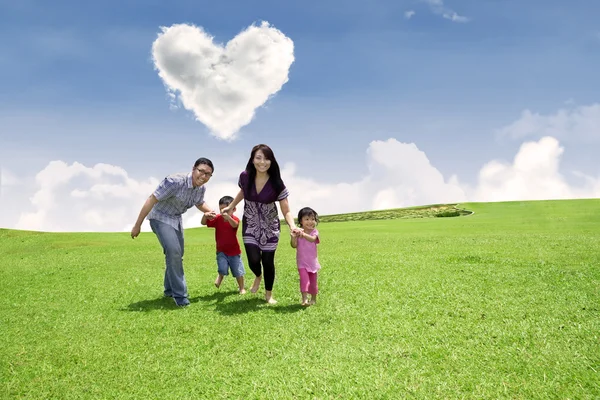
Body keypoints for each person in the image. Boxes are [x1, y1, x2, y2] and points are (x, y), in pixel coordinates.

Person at [130, 158, 217, 307]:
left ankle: (169, 290)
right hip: (159, 216)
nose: (203, 176)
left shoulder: (201, 188)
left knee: (177, 254)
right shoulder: (174, 181)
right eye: (201, 171)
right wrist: (137, 225)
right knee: (174, 252)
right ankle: (180, 296)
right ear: (193, 168)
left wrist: (212, 213)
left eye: (208, 174)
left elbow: (199, 202)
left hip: (176, 219)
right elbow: (152, 199)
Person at [221, 144, 302, 304]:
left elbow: (286, 209)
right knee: (253, 260)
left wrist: (292, 225)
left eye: (266, 158)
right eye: (258, 158)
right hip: (250, 223)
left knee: (267, 261)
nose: (262, 162)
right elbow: (243, 191)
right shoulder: (245, 176)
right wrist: (230, 207)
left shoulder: (277, 182)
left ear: (271, 161)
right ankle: (258, 276)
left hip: (270, 226)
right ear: (252, 160)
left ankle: (268, 295)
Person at [201, 195, 246, 294]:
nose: (223, 212)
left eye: (226, 210)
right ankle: (220, 276)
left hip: (234, 251)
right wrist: (205, 215)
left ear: (233, 209)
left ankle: (242, 288)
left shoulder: (235, 219)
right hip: (221, 251)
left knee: (238, 271)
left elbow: (235, 225)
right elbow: (203, 223)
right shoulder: (217, 219)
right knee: (222, 267)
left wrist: (228, 218)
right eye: (221, 210)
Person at [290, 207, 321, 306]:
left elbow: (312, 239)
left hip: (312, 263)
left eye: (313, 219)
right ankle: (304, 300)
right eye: (307, 219)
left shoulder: (314, 232)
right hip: (302, 263)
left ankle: (313, 299)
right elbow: (294, 245)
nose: (310, 222)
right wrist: (293, 237)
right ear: (301, 221)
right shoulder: (298, 233)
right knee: (304, 280)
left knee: (313, 282)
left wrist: (302, 234)